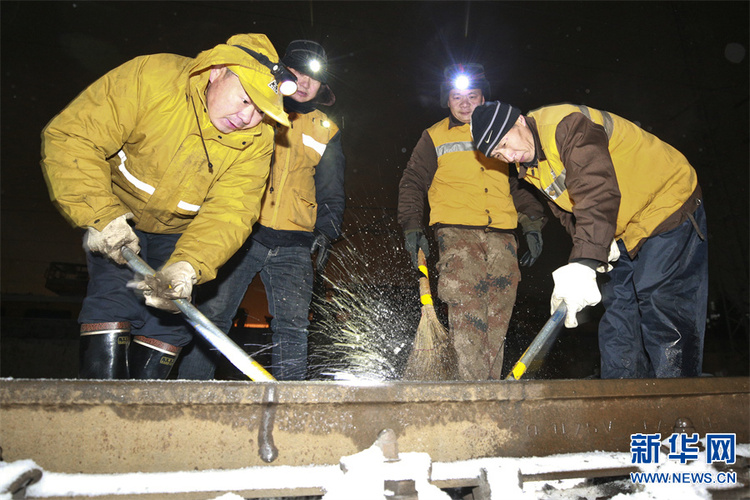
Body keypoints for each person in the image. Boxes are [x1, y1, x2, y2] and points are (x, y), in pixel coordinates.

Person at [40, 33, 295, 380]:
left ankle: (146, 414)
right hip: (117, 214)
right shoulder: (153, 78)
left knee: (171, 314)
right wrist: (99, 215)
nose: (247, 117)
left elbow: (231, 211)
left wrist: (189, 264)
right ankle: (100, 406)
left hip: (181, 231)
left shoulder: (257, 140)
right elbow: (74, 136)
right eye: (245, 98)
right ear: (216, 71)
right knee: (115, 296)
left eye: (260, 110)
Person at [471, 101, 708, 378]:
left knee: (661, 303)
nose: (509, 156)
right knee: (619, 313)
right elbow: (567, 210)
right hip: (617, 227)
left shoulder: (567, 126)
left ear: (520, 121)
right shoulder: (529, 164)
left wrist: (584, 261)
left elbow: (595, 190)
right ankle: (623, 399)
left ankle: (680, 399)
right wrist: (594, 250)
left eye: (505, 142)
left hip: (666, 203)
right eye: (499, 154)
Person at [177, 40, 346, 381]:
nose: (302, 82)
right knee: (214, 316)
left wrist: (327, 231)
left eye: (311, 76)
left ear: (322, 83)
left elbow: (332, 187)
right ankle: (190, 391)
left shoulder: (326, 128)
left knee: (293, 327)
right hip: (244, 233)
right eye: (295, 72)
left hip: (296, 242)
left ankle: (289, 404)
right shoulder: (256, 105)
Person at [397, 64, 546, 381]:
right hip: (458, 236)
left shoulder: (499, 134)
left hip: (503, 239)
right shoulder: (434, 136)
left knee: (497, 320)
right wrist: (412, 226)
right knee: (468, 316)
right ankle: (469, 393)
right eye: (456, 96)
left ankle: (488, 393)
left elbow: (517, 184)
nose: (464, 103)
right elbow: (412, 181)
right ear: (447, 101)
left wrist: (531, 222)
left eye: (472, 95)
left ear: (483, 98)